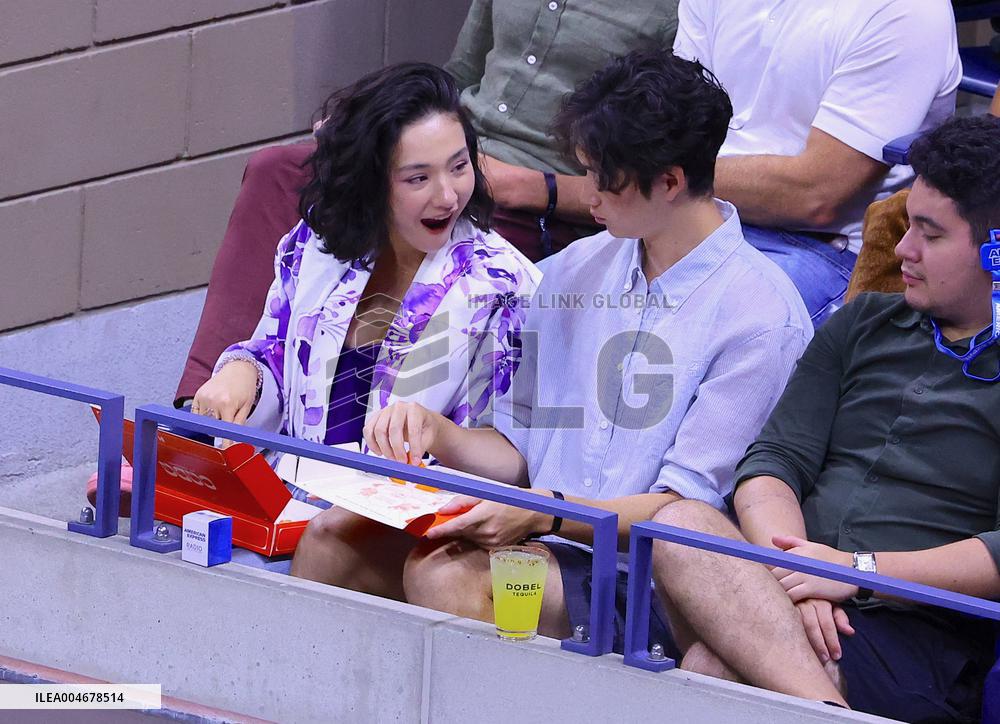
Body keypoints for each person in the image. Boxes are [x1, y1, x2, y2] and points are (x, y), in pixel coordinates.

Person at [290, 49, 812, 652]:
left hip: (643, 579)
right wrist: (438, 433)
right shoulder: (571, 272)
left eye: (602, 178)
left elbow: (681, 516)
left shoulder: (761, 317)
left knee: (446, 577)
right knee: (333, 540)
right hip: (538, 535)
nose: (585, 194)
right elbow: (518, 448)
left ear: (669, 182)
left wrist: (545, 514)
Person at [649, 115, 1000, 721]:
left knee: (712, 668)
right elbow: (774, 462)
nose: (901, 250)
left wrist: (858, 574)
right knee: (681, 524)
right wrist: (801, 571)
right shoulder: (863, 324)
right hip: (786, 586)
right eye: (906, 222)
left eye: (931, 234)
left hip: (918, 633)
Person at [174, 0, 680, 406]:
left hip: (537, 196)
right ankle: (199, 414)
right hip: (458, 150)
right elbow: (457, 76)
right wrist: (375, 131)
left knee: (446, 257)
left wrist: (528, 185)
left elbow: (657, 168)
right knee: (276, 171)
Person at [192, 63, 540, 496]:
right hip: (287, 503)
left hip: (413, 530)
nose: (448, 195)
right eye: (418, 178)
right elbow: (277, 356)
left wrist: (438, 434)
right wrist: (243, 372)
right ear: (370, 182)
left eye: (459, 167)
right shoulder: (316, 243)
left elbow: (517, 458)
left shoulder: (506, 286)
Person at [673, 0, 961, 327]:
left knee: (690, 330)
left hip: (823, 250)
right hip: (692, 213)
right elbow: (676, 124)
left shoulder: (908, 10)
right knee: (608, 295)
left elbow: (816, 197)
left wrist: (669, 174)